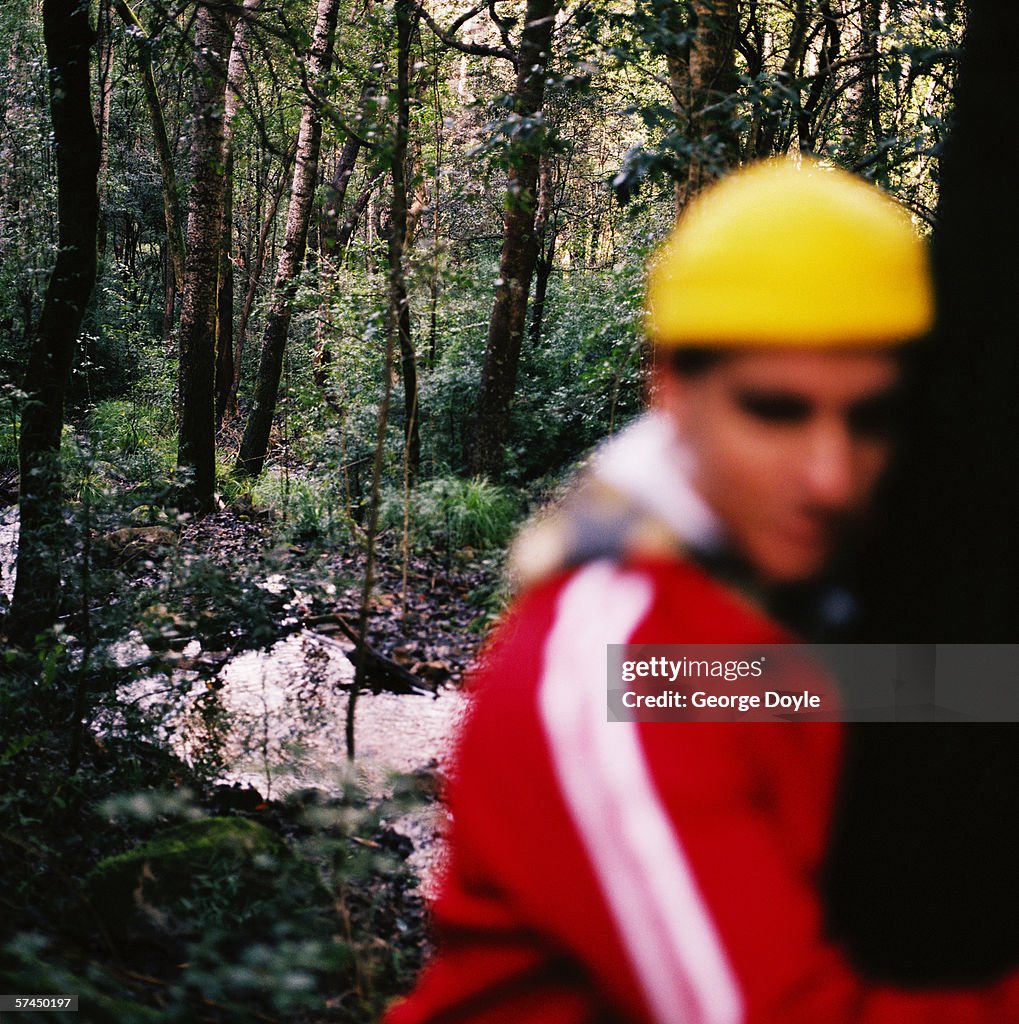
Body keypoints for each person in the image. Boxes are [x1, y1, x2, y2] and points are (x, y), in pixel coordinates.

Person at [384, 158, 1019, 1023]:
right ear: (672, 389)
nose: (830, 478)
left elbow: (865, 693)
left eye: (869, 418)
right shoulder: (620, 661)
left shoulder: (796, 590)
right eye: (774, 410)